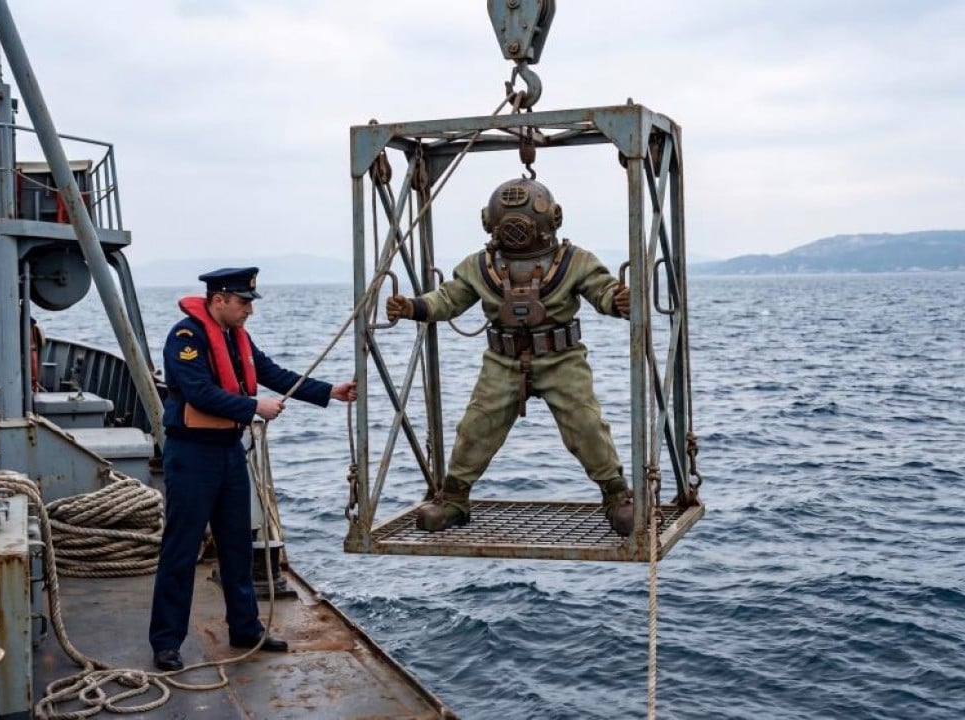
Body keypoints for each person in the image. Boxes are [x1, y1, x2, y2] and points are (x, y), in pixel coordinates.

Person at [385, 177, 635, 537]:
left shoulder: (574, 262)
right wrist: (413, 306)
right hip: (502, 360)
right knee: (476, 426)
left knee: (585, 424)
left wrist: (619, 301)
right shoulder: (480, 266)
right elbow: (449, 298)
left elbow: (602, 289)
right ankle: (453, 498)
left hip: (561, 359)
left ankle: (616, 496)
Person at [149, 267, 357, 672]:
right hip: (192, 456)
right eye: (243, 302)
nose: (249, 310)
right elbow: (198, 392)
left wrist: (329, 391)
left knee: (238, 546)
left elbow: (272, 373)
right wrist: (253, 406)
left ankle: (245, 628)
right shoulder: (186, 337)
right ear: (219, 299)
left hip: (229, 453)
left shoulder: (236, 337)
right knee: (181, 550)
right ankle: (166, 642)